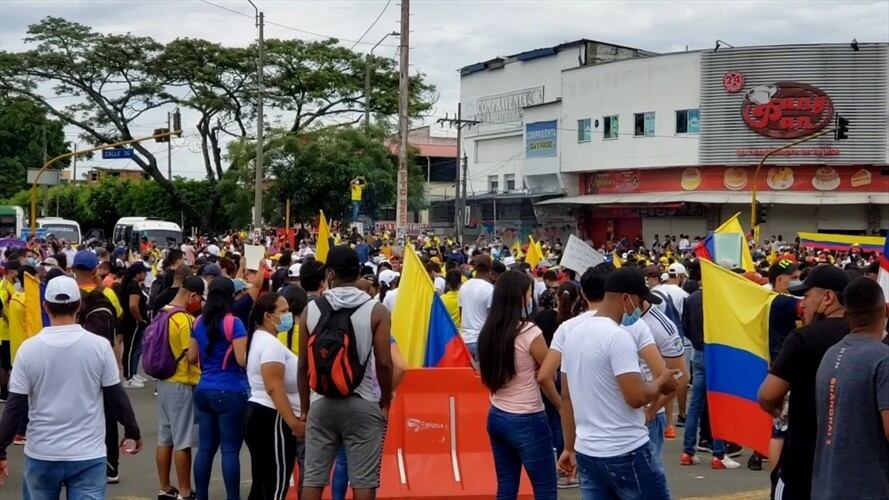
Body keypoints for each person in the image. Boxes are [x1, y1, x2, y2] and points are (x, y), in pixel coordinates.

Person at [0, 276, 142, 498]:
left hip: (43, 452)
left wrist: (1, 449)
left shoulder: (28, 350)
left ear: (46, 306)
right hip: (87, 453)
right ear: (79, 305)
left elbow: (14, 406)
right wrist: (132, 430)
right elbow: (116, 396)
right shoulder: (100, 347)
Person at [558, 267, 678, 499]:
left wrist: (569, 446)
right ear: (625, 298)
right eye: (639, 301)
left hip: (587, 450)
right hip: (626, 449)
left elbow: (566, 395)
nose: (639, 308)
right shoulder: (618, 337)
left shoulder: (573, 334)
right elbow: (635, 397)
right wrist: (660, 382)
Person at [298, 245, 393, 500]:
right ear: (359, 272)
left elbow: (303, 365)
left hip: (321, 403)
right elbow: (384, 362)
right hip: (362, 401)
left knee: (313, 479)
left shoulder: (311, 310)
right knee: (363, 482)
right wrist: (385, 401)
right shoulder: (376, 310)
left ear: (329, 273)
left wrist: (305, 409)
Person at [757, 265, 850, 500]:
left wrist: (776, 410)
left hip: (803, 458)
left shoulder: (803, 338)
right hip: (850, 462)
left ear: (828, 297)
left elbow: (767, 395)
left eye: (806, 296)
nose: (802, 304)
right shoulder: (867, 339)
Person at [478, 270, 560, 500]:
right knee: (545, 489)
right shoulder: (530, 332)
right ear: (520, 297)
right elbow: (548, 373)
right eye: (529, 294)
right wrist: (560, 405)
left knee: (506, 486)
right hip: (528, 416)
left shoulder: (488, 331)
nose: (531, 298)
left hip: (497, 414)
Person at [811, 277, 889, 499]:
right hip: (869, 488)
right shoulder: (883, 359)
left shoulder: (831, 354)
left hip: (825, 487)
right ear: (884, 310)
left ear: (846, 313)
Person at [188, 277, 249, 500]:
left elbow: (191, 357)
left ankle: (201, 496)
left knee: (205, 448)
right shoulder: (234, 323)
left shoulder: (198, 321)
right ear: (232, 296)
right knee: (230, 449)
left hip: (204, 388)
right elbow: (241, 360)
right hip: (230, 388)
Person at [245, 293, 306, 500]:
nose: (289, 315)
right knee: (275, 484)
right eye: (284, 311)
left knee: (262, 483)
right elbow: (274, 388)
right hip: (272, 418)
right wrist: (294, 424)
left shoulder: (261, 339)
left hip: (263, 415)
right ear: (268, 316)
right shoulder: (270, 345)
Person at [153, 276, 205, 500]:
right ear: (193, 296)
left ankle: (165, 487)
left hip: (163, 381)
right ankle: (185, 491)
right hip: (182, 382)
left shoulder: (162, 313)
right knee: (183, 440)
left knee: (165, 438)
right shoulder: (185, 319)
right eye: (199, 298)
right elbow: (191, 355)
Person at [115, 262, 150, 388]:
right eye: (143, 272)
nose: (145, 275)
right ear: (138, 273)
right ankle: (128, 377)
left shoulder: (130, 285)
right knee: (130, 349)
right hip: (132, 321)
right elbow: (133, 306)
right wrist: (139, 319)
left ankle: (132, 374)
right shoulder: (133, 287)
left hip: (129, 320)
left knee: (132, 348)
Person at [459, 255, 495, 361]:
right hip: (482, 340)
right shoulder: (489, 289)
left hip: (464, 340)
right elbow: (492, 318)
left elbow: (461, 313)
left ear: (474, 267)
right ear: (490, 268)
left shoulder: (464, 286)